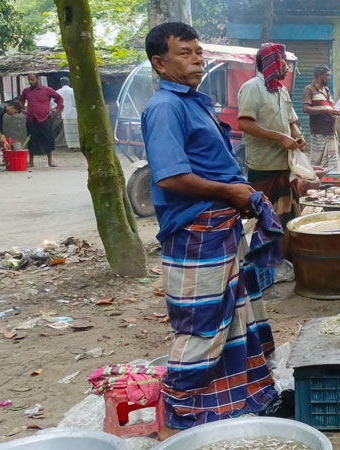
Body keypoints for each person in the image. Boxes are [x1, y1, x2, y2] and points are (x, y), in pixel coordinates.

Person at [140, 22, 280, 438]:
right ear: (159, 63)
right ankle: (177, 413)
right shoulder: (165, 107)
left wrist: (237, 196)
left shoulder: (195, 101)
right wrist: (232, 192)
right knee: (202, 321)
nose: (197, 58)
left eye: (199, 51)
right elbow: (170, 178)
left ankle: (227, 398)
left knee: (232, 315)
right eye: (185, 52)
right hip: (196, 228)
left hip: (219, 224)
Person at [237, 42, 307, 231]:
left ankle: (287, 257)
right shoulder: (252, 88)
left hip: (286, 166)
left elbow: (292, 122)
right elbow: (244, 123)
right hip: (264, 166)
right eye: (284, 62)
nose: (287, 67)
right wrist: (280, 138)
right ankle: (266, 259)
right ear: (273, 62)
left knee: (289, 217)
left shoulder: (282, 90)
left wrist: (298, 137)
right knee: (264, 219)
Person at [302, 66, 340, 170]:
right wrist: (325, 110)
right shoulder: (308, 89)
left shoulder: (326, 90)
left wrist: (339, 113)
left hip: (331, 133)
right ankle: (316, 185)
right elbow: (306, 109)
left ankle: (329, 185)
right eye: (327, 75)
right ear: (319, 76)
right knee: (317, 164)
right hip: (319, 134)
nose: (329, 78)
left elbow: (330, 106)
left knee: (331, 167)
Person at [18, 73, 63, 168]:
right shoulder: (26, 91)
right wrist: (22, 109)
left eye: (32, 79)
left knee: (48, 138)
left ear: (38, 78)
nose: (31, 82)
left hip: (45, 118)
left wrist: (57, 109)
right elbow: (21, 100)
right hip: (31, 118)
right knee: (31, 139)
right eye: (29, 80)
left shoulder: (47, 90)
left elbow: (59, 99)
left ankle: (50, 160)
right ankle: (31, 161)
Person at [56, 77, 77, 148]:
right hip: (75, 114)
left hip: (65, 113)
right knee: (76, 131)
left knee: (68, 132)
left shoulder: (58, 92)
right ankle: (78, 145)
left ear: (61, 83)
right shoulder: (73, 91)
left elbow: (51, 101)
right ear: (69, 83)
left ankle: (71, 146)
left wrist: (57, 108)